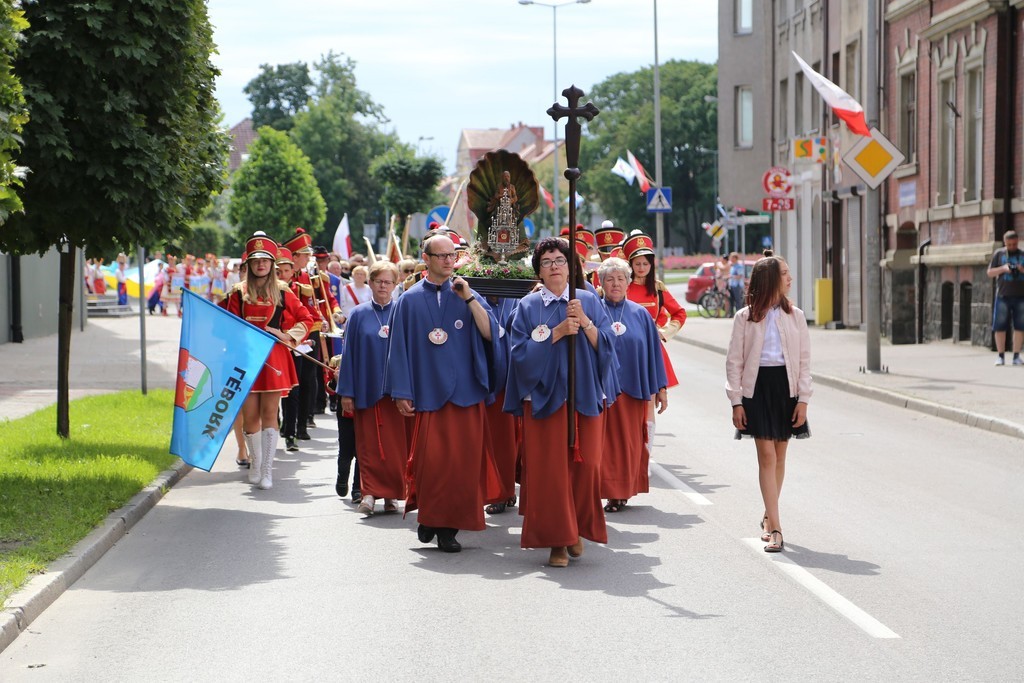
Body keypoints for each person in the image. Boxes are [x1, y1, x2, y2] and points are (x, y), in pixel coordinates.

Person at [504, 237, 620, 567]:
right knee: (550, 472)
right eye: (546, 262)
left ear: (570, 267)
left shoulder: (587, 300)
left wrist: (584, 322)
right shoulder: (528, 306)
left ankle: (576, 529)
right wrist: (556, 333)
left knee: (587, 466)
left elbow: (607, 346)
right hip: (544, 399)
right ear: (538, 271)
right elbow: (519, 355)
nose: (554, 267)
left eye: (559, 261)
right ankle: (558, 540)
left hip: (584, 394)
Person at [386, 231, 501, 553]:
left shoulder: (467, 293)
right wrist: (401, 391)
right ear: (426, 259)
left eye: (453, 255)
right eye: (442, 256)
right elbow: (398, 348)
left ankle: (449, 529)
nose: (450, 261)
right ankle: (431, 517)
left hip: (466, 392)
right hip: (428, 392)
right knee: (432, 465)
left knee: (463, 466)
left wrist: (470, 299)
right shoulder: (408, 300)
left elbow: (491, 333)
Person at [725, 250, 811, 553]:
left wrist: (803, 399)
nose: (790, 278)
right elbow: (734, 362)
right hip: (757, 389)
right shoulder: (744, 317)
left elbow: (804, 361)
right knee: (766, 456)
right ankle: (776, 528)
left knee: (780, 456)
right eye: (784, 274)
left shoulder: (796, 315)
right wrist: (736, 401)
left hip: (786, 388)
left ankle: (767, 513)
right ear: (771, 280)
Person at [225, 232, 314, 490]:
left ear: (272, 264)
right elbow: (228, 325)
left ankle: (267, 470)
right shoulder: (237, 292)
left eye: (265, 260)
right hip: (246, 359)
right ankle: (255, 463)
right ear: (249, 264)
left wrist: (287, 335)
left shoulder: (283, 290)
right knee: (250, 416)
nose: (261, 264)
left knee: (269, 413)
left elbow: (306, 318)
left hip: (274, 358)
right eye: (256, 261)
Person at [597, 257, 668, 513]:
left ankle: (621, 491)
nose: (616, 284)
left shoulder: (641, 315)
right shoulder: (594, 311)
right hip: (601, 390)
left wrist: (661, 388)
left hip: (633, 390)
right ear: (601, 283)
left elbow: (654, 353)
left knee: (628, 443)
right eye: (610, 279)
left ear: (628, 283)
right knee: (604, 443)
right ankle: (607, 490)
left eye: (620, 279)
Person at [337, 261, 409, 516]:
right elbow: (348, 354)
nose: (383, 286)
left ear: (396, 284)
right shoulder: (358, 314)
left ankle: (391, 496)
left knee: (393, 447)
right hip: (366, 388)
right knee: (367, 446)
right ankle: (368, 494)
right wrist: (346, 392)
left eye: (388, 282)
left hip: (396, 392)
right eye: (378, 281)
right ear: (370, 283)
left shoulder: (403, 311)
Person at [275, 247, 318, 452]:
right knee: (272, 391)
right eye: (278, 271)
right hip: (272, 345)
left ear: (292, 271)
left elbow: (309, 316)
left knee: (294, 390)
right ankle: (274, 424)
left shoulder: (300, 290)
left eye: (286, 270)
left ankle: (292, 433)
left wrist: (299, 337)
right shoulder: (267, 290)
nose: (282, 275)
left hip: (293, 345)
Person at [483, 294, 520, 515]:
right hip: (483, 377)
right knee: (487, 440)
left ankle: (504, 490)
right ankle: (495, 491)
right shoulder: (474, 298)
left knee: (506, 440)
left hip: (512, 379)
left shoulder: (517, 299)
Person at [986, 230, 1024, 366]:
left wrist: (1021, 269)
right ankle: (1000, 356)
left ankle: (1016, 356)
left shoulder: (1022, 254)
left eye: (1014, 244)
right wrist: (1003, 268)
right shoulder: (999, 254)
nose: (1012, 247)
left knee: (1020, 326)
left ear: (1018, 242)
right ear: (1005, 243)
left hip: (1020, 296)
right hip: (1003, 295)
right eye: (1009, 245)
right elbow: (989, 273)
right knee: (1000, 326)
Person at [727, 252, 746, 318]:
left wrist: (731, 276)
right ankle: (731, 314)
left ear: (735, 258)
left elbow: (740, 276)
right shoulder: (732, 266)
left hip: (737, 285)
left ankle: (739, 314)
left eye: (732, 257)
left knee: (738, 300)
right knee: (731, 300)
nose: (731, 259)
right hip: (732, 285)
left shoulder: (739, 266)